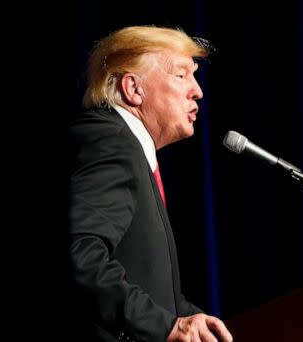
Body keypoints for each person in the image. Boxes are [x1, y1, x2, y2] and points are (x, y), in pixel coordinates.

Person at [68, 25, 233, 342]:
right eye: (181, 75)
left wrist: (188, 319)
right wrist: (165, 326)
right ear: (133, 88)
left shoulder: (129, 150)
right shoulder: (111, 141)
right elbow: (79, 253)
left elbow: (143, 280)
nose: (197, 90)